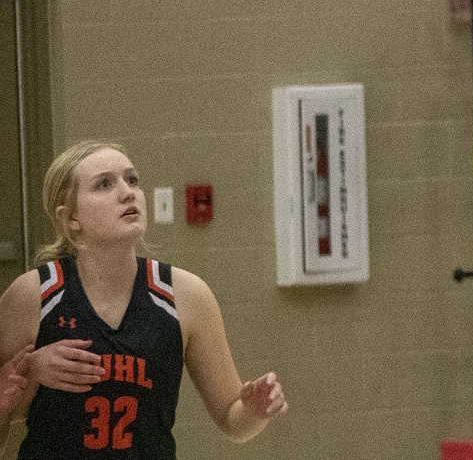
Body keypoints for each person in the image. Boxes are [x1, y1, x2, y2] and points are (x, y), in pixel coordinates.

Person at [0, 140, 287, 457]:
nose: (127, 192)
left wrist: (254, 411)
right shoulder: (32, 295)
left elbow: (232, 419)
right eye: (105, 184)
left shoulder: (187, 295)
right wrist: (30, 374)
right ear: (71, 218)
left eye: (132, 179)